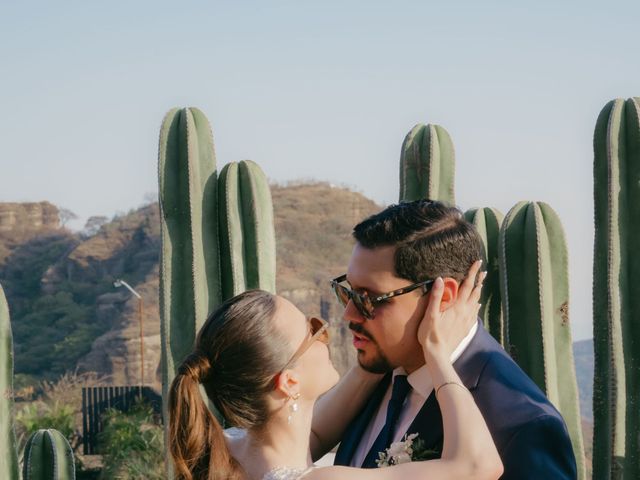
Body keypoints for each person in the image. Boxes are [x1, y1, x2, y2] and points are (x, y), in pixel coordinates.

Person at [168, 261, 503, 479]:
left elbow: (313, 434)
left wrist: (383, 348)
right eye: (314, 329)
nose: (329, 329)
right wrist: (436, 350)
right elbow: (478, 466)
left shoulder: (222, 453)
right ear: (288, 382)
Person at [315, 199, 576, 479]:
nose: (349, 315)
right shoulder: (376, 373)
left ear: (444, 297)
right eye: (348, 292)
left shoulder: (523, 425)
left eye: (370, 300)